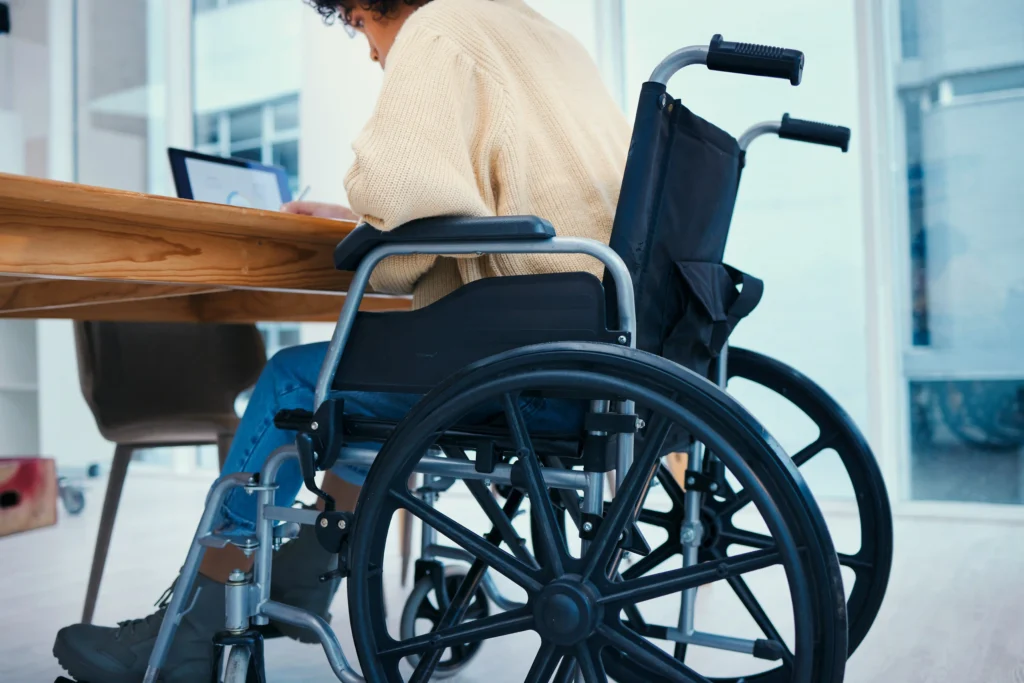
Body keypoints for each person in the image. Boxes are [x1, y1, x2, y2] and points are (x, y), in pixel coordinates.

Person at [53, 0, 631, 681]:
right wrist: (360, 219)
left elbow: (396, 191)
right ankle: (311, 565)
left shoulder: (438, 28)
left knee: (293, 380)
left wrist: (370, 216)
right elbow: (479, 194)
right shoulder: (540, 33)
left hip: (522, 368)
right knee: (372, 367)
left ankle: (188, 632)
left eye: (359, 26)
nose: (370, 51)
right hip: (598, 353)